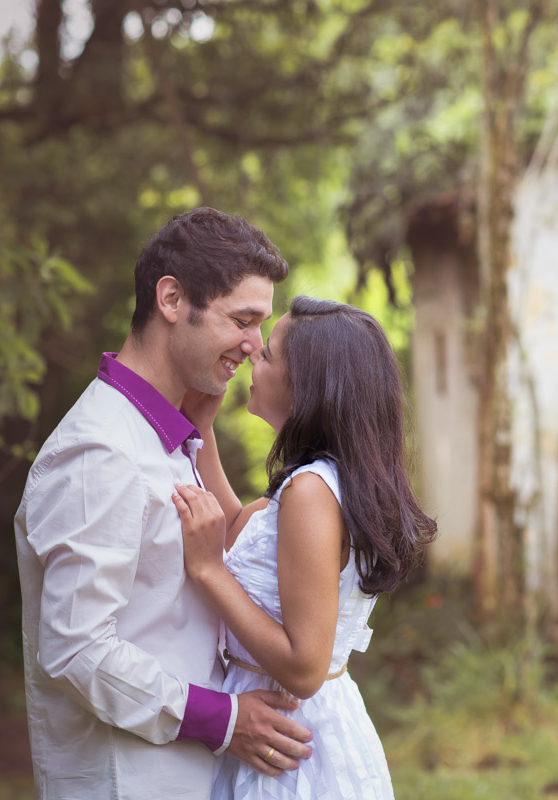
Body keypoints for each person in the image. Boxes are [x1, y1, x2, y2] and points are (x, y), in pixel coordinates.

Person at [14, 208, 314, 800]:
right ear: (172, 300)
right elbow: (76, 650)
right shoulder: (98, 451)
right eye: (242, 321)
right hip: (125, 781)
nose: (255, 346)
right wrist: (225, 719)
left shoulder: (165, 438)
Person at [172, 295, 437, 799]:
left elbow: (304, 667)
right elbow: (241, 532)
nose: (253, 355)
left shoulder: (312, 491)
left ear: (306, 388)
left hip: (288, 746)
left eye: (268, 354)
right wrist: (201, 431)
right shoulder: (324, 480)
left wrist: (209, 571)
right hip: (295, 727)